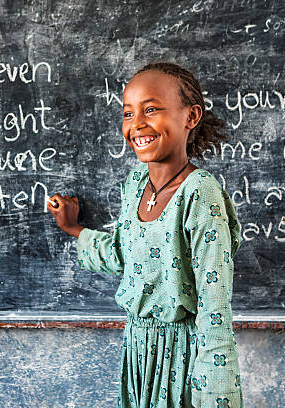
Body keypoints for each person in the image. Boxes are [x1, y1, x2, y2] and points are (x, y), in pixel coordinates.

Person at [47, 62, 243, 408]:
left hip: (184, 357)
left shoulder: (200, 194)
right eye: (127, 113)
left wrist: (215, 396)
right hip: (139, 350)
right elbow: (126, 256)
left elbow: (215, 313)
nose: (136, 124)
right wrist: (74, 228)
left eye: (150, 110)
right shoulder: (137, 183)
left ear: (191, 116)